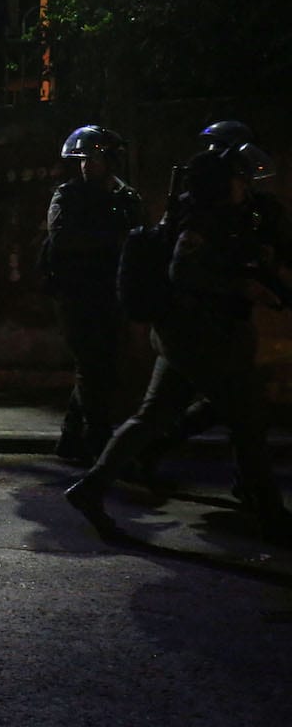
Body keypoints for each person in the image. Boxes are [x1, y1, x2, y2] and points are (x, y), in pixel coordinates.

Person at [65, 148, 292, 545]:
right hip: (199, 338)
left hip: (187, 336)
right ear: (222, 185)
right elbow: (182, 271)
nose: (245, 185)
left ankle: (91, 487)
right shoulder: (200, 221)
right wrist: (241, 286)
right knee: (247, 421)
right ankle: (272, 515)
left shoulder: (214, 216)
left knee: (151, 417)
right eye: (238, 178)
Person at [42, 126, 143, 462]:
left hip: (111, 290)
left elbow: (139, 237)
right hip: (75, 291)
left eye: (96, 158)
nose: (87, 165)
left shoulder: (125, 197)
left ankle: (71, 437)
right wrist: (111, 238)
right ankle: (99, 441)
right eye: (84, 158)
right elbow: (62, 238)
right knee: (89, 363)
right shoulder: (67, 195)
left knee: (103, 364)